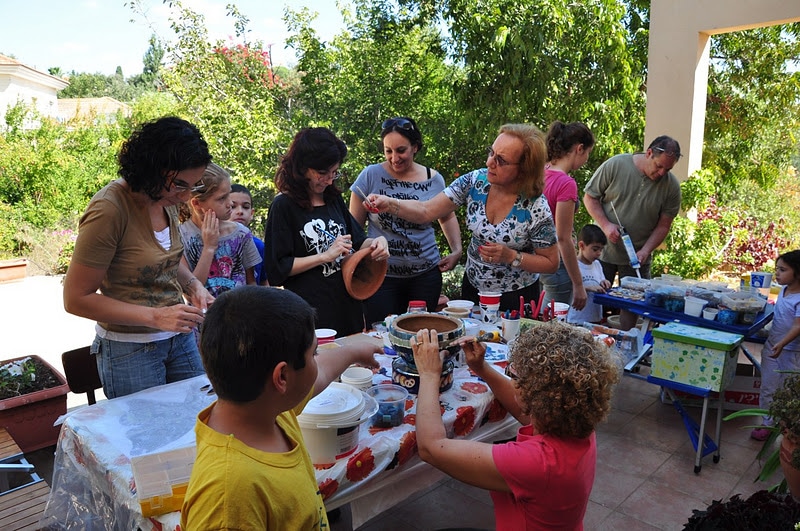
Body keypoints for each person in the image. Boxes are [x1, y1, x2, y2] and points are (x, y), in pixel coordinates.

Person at [180, 286, 381, 529]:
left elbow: (320, 374)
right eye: (313, 353)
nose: (317, 360)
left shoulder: (267, 410)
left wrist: (353, 352)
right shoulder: (227, 500)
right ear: (282, 377)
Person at [411, 320, 619, 529]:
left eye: (513, 374)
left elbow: (431, 448)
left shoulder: (536, 463)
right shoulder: (576, 422)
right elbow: (521, 410)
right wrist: (481, 368)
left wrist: (429, 375)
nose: (511, 379)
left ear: (535, 394)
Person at [63, 116, 214, 399]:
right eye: (180, 184)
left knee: (196, 423)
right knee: (148, 439)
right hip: (130, 350)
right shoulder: (109, 209)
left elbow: (167, 257)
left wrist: (193, 285)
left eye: (192, 186)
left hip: (179, 340)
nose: (184, 197)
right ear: (152, 168)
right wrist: (156, 316)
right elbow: (75, 299)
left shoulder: (163, 198)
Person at [366, 123, 558, 312]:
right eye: (491, 153)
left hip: (515, 296)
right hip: (473, 288)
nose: (489, 163)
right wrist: (389, 203)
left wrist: (512, 256)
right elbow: (427, 211)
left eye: (501, 160)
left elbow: (551, 263)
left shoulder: (536, 207)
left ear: (524, 168)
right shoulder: (475, 181)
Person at [264, 127, 389, 336]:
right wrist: (324, 256)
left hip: (348, 307)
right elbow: (277, 269)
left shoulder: (333, 199)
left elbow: (358, 240)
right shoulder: (283, 206)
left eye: (334, 172)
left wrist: (378, 243)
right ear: (301, 168)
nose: (329, 180)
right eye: (322, 173)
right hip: (311, 314)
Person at [349, 117, 463, 324]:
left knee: (420, 332)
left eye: (401, 150)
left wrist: (456, 250)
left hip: (425, 275)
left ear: (415, 147)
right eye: (388, 151)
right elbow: (354, 229)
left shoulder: (433, 178)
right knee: (381, 335)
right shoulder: (369, 175)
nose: (394, 158)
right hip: (380, 276)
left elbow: (446, 216)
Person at [583, 135, 682, 330]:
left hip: (637, 256)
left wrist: (645, 250)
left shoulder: (671, 186)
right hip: (602, 251)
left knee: (633, 305)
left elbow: (664, 225)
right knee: (593, 299)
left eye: (668, 169)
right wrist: (606, 225)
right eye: (659, 166)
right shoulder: (616, 165)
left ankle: (626, 341)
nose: (662, 173)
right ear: (649, 153)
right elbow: (590, 197)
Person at [180, 163, 261, 297]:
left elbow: (251, 283)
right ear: (196, 203)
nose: (230, 203)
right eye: (222, 198)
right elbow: (191, 292)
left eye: (228, 194)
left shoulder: (241, 234)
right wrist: (209, 248)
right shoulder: (180, 236)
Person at [540, 121, 595, 312]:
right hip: (556, 262)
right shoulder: (565, 183)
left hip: (533, 259)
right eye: (588, 153)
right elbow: (563, 238)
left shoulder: (540, 172)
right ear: (579, 149)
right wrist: (578, 284)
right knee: (551, 325)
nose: (586, 159)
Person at [751, 250, 800, 441]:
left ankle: (789, 426)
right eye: (776, 269)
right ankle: (767, 423)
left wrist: (782, 343)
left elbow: (798, 326)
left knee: (790, 392)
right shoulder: (783, 290)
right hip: (773, 349)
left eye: (782, 270)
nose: (777, 274)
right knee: (768, 387)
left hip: (791, 352)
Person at [566, 224, 612, 325]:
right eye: (595, 249)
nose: (599, 253)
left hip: (595, 318)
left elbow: (600, 281)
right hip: (576, 319)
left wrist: (605, 282)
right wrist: (587, 288)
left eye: (601, 249)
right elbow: (569, 288)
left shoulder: (597, 265)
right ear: (582, 245)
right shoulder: (573, 265)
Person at [230, 183, 269, 286]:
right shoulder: (213, 243)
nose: (240, 212)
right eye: (233, 206)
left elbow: (264, 282)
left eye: (245, 207)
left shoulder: (259, 246)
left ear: (252, 213)